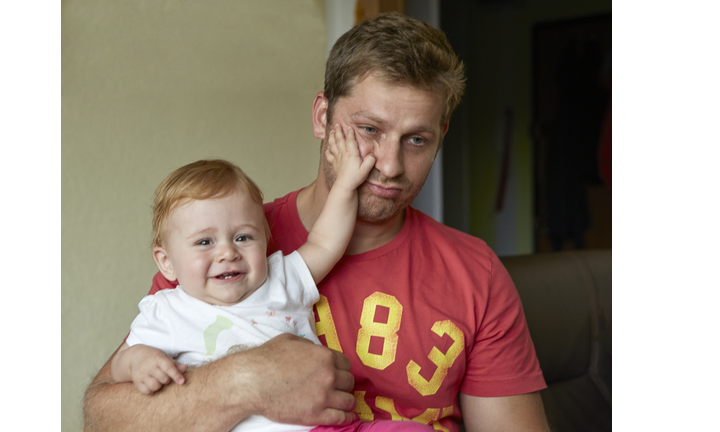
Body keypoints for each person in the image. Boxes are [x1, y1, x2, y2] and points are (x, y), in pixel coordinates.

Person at [84, 12, 550, 432]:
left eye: (416, 140)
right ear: (323, 117)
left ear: (440, 137)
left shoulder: (476, 273)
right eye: (369, 130)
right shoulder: (227, 249)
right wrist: (246, 380)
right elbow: (105, 419)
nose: (388, 165)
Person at [110, 131, 432, 432]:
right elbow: (120, 365)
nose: (227, 252)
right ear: (166, 262)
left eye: (242, 237)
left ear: (266, 237)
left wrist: (346, 186)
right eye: (205, 242)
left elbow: (325, 243)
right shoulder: (166, 311)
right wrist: (138, 362)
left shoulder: (280, 280)